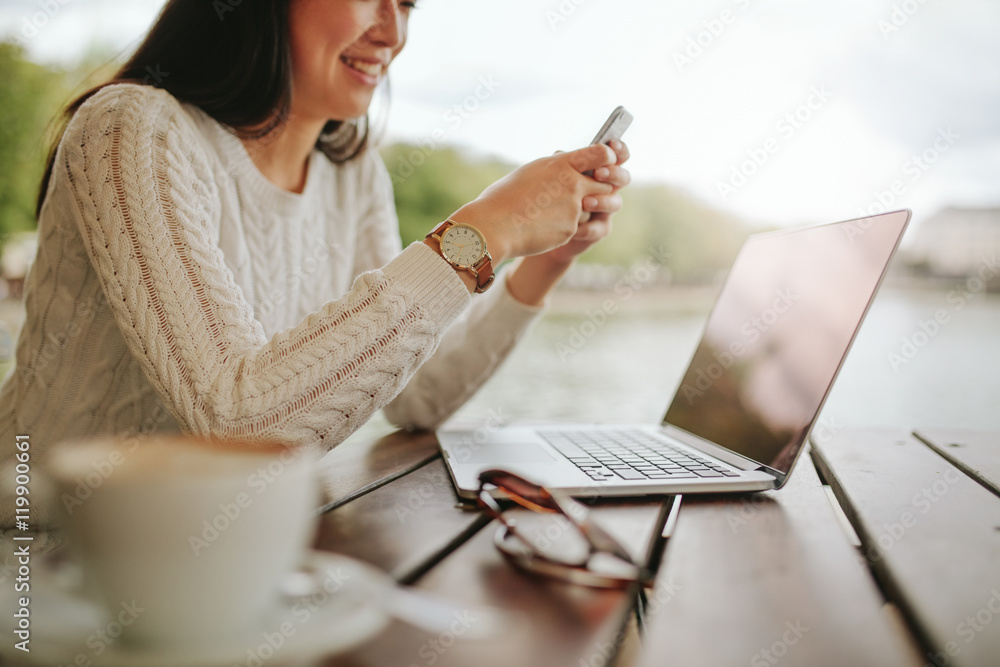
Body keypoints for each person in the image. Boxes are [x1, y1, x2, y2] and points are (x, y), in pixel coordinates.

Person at [0, 0, 630, 539]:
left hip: (205, 563)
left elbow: (419, 396)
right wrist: (483, 232)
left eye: (408, 3)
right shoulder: (130, 129)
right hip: (40, 558)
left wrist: (543, 260)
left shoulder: (352, 176)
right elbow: (241, 427)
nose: (392, 32)